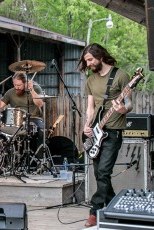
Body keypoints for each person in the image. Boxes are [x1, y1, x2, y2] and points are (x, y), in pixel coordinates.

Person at [78, 43, 132, 227]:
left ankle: (94, 211)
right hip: (96, 131)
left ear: (100, 56)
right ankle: (113, 206)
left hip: (114, 130)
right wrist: (87, 125)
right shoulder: (91, 80)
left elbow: (129, 104)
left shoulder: (121, 75)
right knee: (100, 174)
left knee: (103, 171)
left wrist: (123, 108)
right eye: (86, 61)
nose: (89, 64)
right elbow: (91, 108)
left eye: (91, 60)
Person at [0, 72, 44, 154]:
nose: (16, 87)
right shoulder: (10, 92)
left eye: (19, 85)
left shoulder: (35, 88)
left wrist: (31, 90)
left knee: (41, 132)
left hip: (34, 119)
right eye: (15, 85)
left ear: (25, 83)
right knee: (4, 134)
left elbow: (39, 104)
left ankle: (40, 160)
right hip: (17, 120)